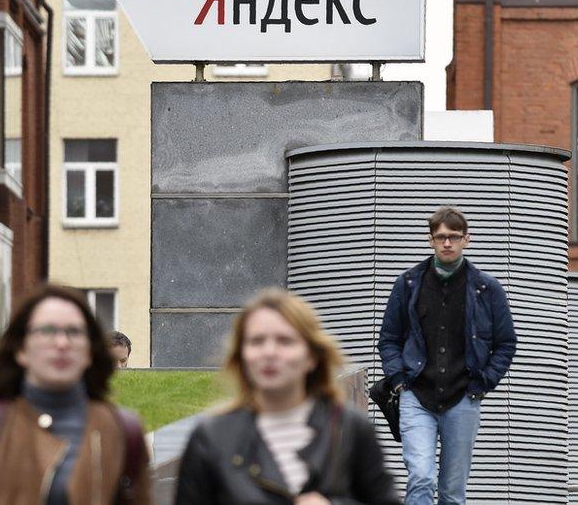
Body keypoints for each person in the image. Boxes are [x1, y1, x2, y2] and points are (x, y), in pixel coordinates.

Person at [176, 288, 401, 505]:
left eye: (285, 341)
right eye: (256, 341)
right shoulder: (211, 438)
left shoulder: (349, 428)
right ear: (242, 356)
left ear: (312, 356)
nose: (269, 352)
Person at [0, 284, 152, 505]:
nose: (61, 343)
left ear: (90, 352)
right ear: (21, 349)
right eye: (47, 331)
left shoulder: (123, 431)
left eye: (74, 332)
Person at [377, 206, 517, 505]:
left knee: (453, 492)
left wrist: (483, 383)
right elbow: (388, 339)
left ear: (468, 239)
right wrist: (399, 382)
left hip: (463, 398)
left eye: (454, 237)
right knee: (421, 477)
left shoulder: (487, 288)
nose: (447, 243)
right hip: (416, 395)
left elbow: (506, 344)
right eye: (441, 237)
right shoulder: (409, 283)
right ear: (431, 240)